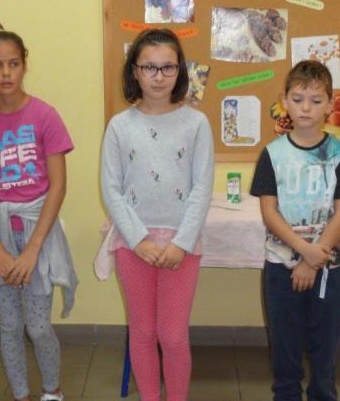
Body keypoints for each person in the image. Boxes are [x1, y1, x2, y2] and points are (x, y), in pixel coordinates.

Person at [0, 30, 78, 401]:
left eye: (13, 64)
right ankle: (20, 394)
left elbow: (57, 187)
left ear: (24, 65)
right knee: (10, 326)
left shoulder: (45, 116)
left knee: (38, 327)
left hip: (37, 233)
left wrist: (32, 249)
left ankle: (52, 391)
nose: (6, 73)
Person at [100, 28, 214, 401]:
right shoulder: (119, 125)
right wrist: (138, 240)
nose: (159, 76)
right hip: (134, 244)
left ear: (179, 71)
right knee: (143, 332)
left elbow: (202, 187)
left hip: (182, 244)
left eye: (168, 67)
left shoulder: (196, 124)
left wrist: (182, 243)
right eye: (149, 67)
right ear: (135, 71)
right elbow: (111, 189)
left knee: (173, 335)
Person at [250, 60, 340, 401]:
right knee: (285, 350)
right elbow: (270, 213)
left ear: (330, 104)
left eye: (315, 101)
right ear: (285, 101)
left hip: (329, 269)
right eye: (298, 99)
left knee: (324, 351)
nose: (306, 108)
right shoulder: (272, 155)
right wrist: (304, 252)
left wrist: (314, 259)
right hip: (281, 269)